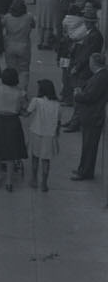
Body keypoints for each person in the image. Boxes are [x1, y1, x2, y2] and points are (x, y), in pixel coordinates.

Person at [0, 67, 29, 190]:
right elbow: (24, 108)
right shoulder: (20, 93)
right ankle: (9, 181)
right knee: (11, 152)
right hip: (13, 121)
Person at [69, 52, 108, 181]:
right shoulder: (100, 75)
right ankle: (83, 169)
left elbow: (90, 97)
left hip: (93, 116)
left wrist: (78, 94)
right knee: (87, 145)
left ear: (94, 63)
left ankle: (85, 172)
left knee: (89, 146)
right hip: (91, 115)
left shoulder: (101, 78)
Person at [23, 78, 62, 192]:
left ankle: (34, 179)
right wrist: (56, 134)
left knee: (35, 157)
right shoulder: (57, 104)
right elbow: (58, 122)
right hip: (49, 134)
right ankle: (44, 183)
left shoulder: (36, 101)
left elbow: (26, 114)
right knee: (46, 160)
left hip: (36, 132)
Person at [0, 0, 35, 91]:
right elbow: (33, 25)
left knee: (11, 69)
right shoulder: (29, 17)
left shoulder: (7, 17)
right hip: (24, 45)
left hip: (9, 45)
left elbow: (0, 26)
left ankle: (11, 90)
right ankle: (23, 90)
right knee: (24, 70)